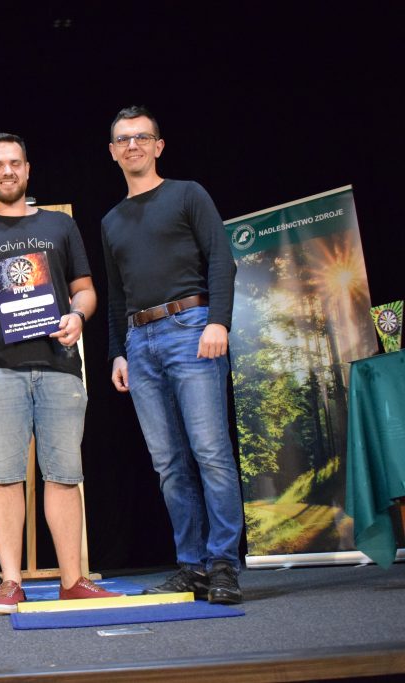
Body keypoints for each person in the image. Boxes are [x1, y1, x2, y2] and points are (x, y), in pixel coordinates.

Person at [0, 133, 121, 615]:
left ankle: (72, 580)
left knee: (64, 476)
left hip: (60, 367)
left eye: (15, 163)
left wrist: (78, 316)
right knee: (3, 478)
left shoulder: (59, 225)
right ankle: (9, 582)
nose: (7, 171)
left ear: (27, 169)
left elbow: (85, 290)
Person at [101, 106, 244, 604]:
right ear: (113, 152)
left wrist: (218, 321)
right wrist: (118, 353)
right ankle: (192, 565)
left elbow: (221, 258)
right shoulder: (111, 220)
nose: (133, 145)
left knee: (210, 452)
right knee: (168, 463)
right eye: (123, 139)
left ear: (158, 145)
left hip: (191, 327)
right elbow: (116, 295)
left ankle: (223, 564)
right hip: (139, 343)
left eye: (142, 137)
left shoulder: (188, 194)